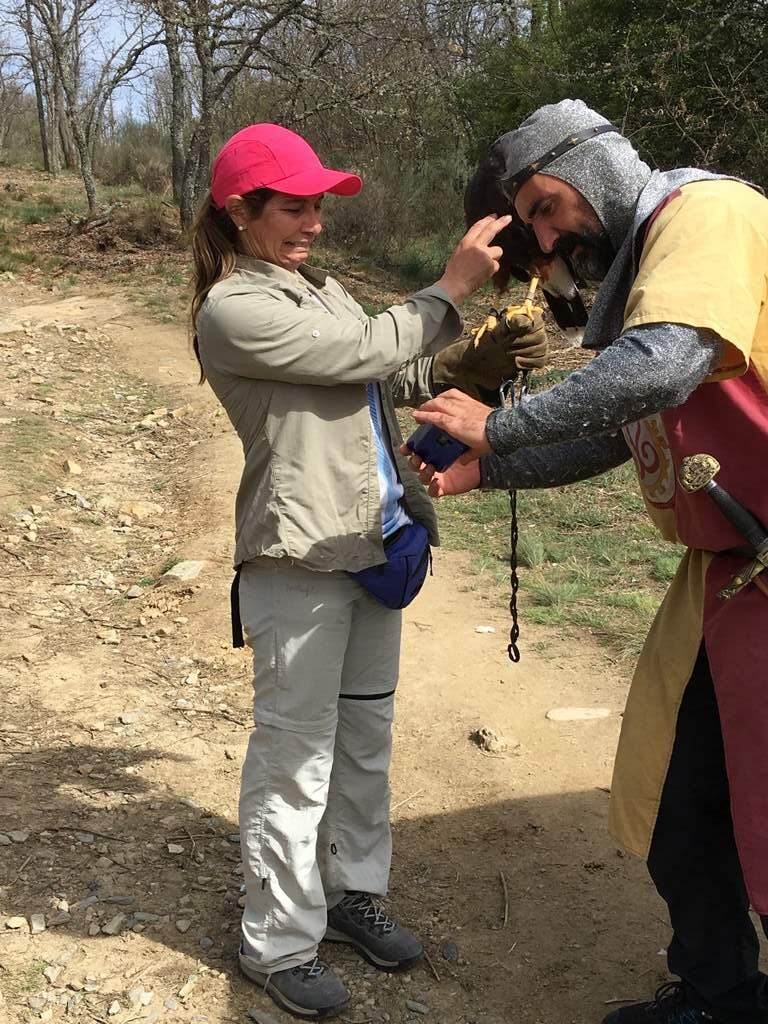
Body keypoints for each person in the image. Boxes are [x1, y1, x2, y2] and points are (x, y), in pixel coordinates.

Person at [406, 99, 768, 1024]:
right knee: (679, 801)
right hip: (728, 578)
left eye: (541, 204)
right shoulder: (652, 282)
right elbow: (623, 427)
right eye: (534, 219)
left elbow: (663, 365)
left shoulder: (708, 214)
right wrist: (489, 470)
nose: (547, 232)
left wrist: (502, 422)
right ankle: (721, 994)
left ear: (595, 163)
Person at [189, 122, 547, 1020]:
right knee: (295, 758)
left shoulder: (324, 292)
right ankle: (276, 942)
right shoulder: (233, 310)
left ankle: (352, 894)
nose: (313, 220)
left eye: (317, 203)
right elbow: (359, 355)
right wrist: (451, 283)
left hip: (372, 543)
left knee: (364, 741)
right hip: (299, 557)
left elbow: (392, 369)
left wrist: (478, 356)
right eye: (294, 204)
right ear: (242, 212)